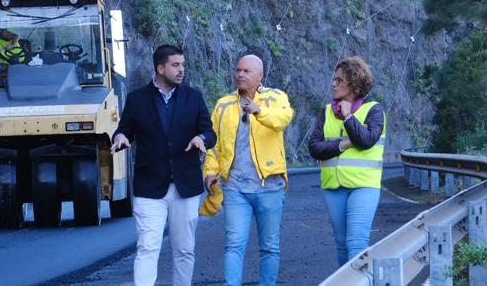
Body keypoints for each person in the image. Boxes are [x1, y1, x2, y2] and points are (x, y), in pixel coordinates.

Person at [111, 44, 216, 286]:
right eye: (175, 65)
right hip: (150, 187)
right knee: (147, 247)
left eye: (183, 65)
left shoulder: (194, 96)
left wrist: (201, 139)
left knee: (185, 250)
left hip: (186, 186)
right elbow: (124, 129)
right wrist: (121, 137)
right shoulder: (137, 99)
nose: (182, 70)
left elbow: (209, 132)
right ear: (160, 68)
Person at [203, 54, 293, 286]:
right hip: (235, 187)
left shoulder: (276, 98)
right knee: (234, 244)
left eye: (246, 71)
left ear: (260, 75)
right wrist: (210, 172)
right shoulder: (223, 104)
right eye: (238, 70)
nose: (240, 75)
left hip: (270, 186)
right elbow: (215, 144)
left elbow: (283, 118)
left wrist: (258, 111)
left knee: (270, 248)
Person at [308, 57, 386, 267]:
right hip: (333, 187)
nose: (333, 84)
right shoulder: (326, 111)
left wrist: (349, 117)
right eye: (334, 80)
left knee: (357, 243)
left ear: (354, 83)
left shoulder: (374, 110)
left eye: (339, 80)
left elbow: (366, 140)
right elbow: (314, 147)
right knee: (342, 244)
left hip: (363, 186)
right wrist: (342, 145)